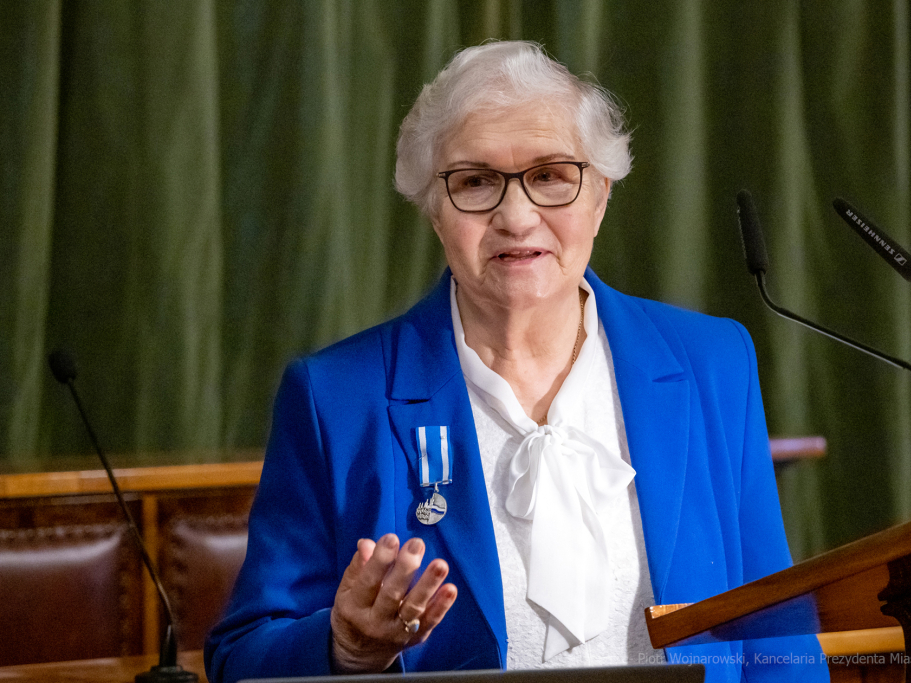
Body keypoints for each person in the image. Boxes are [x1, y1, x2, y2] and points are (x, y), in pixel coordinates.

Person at [206, 41, 828, 682]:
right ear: (433, 208)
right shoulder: (336, 398)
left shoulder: (711, 364)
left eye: (551, 176)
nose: (517, 215)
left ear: (601, 195)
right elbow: (241, 659)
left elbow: (776, 633)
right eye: (475, 182)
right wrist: (344, 649)